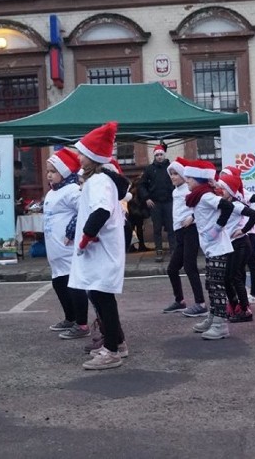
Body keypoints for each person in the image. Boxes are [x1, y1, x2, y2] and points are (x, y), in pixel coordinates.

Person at [69, 122, 130, 370]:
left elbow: (102, 210)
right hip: (100, 250)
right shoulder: (97, 180)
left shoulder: (99, 182)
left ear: (93, 157)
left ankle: (113, 351)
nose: (78, 156)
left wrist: (86, 237)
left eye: (82, 153)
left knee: (103, 297)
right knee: (98, 294)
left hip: (101, 250)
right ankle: (118, 343)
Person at [182, 160, 235, 340]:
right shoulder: (198, 197)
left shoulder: (205, 196)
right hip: (211, 247)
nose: (186, 180)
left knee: (216, 285)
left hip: (218, 246)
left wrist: (217, 228)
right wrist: (193, 219)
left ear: (199, 179)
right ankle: (213, 318)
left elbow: (228, 206)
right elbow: (205, 214)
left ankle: (221, 325)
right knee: (211, 284)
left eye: (189, 178)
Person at [44, 148, 90, 340]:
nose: (49, 175)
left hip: (67, 249)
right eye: (48, 171)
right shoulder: (52, 193)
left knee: (74, 285)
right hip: (55, 251)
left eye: (52, 171)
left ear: (63, 172)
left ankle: (82, 324)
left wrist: (71, 230)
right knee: (59, 283)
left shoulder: (72, 190)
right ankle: (70, 317)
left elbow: (85, 209)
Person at [162, 157, 207, 316]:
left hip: (191, 231)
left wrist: (192, 217)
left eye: (176, 174)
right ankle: (179, 301)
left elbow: (202, 204)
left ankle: (200, 304)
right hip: (179, 233)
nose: (173, 176)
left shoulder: (189, 189)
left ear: (183, 174)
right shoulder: (175, 191)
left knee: (189, 266)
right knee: (172, 268)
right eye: (171, 174)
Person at [216, 171, 255, 323]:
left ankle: (245, 309)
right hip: (230, 245)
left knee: (235, 277)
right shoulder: (222, 204)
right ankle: (234, 304)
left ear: (229, 191)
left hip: (241, 244)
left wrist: (243, 230)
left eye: (222, 189)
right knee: (226, 278)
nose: (219, 191)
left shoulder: (235, 205)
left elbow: (254, 215)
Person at [137, 144, 175, 261]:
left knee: (171, 227)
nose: (159, 157)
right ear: (155, 156)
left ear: (164, 155)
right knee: (157, 228)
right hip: (155, 203)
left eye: (161, 155)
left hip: (169, 201)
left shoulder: (171, 167)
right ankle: (159, 251)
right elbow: (141, 185)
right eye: (157, 155)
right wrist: (147, 198)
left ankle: (173, 250)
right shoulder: (149, 169)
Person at [125, 175, 150, 252]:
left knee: (132, 230)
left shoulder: (131, 189)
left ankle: (131, 246)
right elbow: (138, 201)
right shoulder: (139, 189)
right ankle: (141, 246)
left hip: (131, 212)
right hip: (137, 212)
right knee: (139, 229)